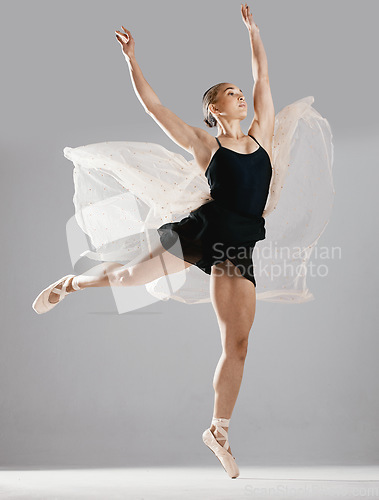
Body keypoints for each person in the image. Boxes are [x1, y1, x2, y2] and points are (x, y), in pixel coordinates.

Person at [32, 4, 335, 479]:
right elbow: (155, 108)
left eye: (240, 93)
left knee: (239, 343)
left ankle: (218, 430)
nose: (241, 97)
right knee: (131, 277)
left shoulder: (262, 135)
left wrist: (253, 32)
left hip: (238, 248)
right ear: (215, 109)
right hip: (201, 233)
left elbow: (263, 80)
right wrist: (132, 60)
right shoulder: (205, 144)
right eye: (230, 94)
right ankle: (71, 283)